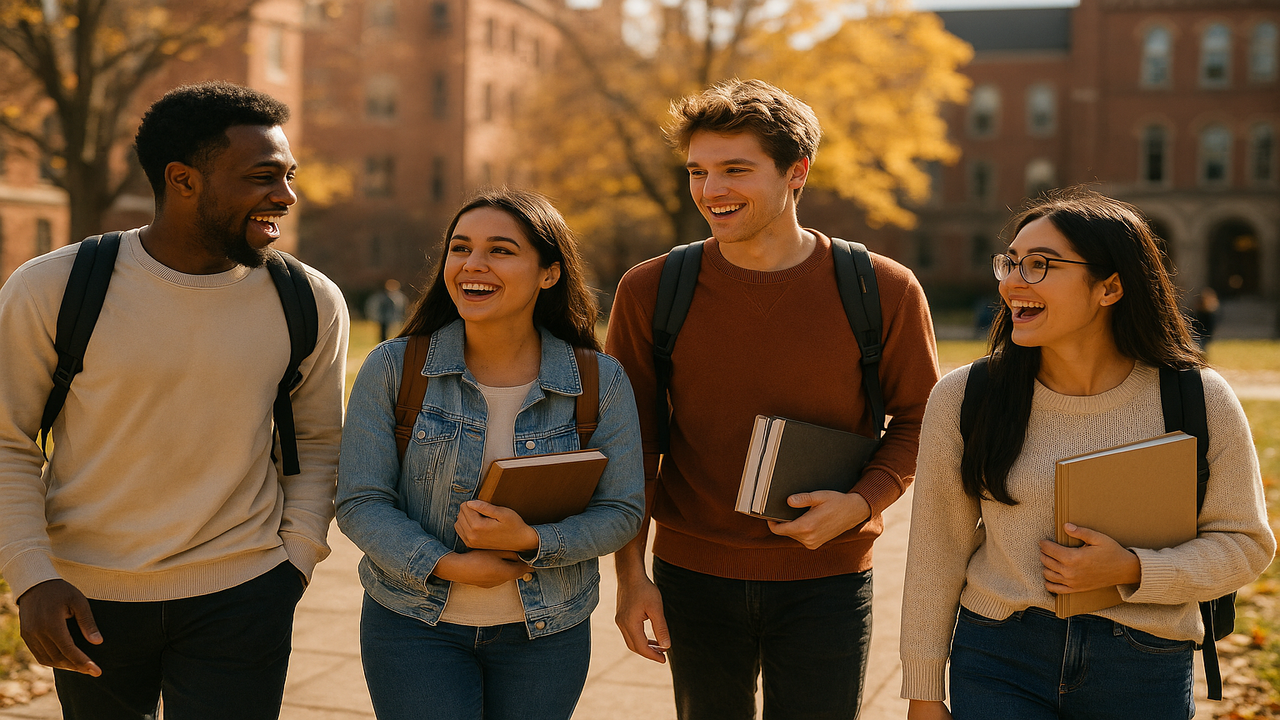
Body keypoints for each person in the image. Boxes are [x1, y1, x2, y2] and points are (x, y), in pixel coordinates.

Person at [0, 82, 349, 718]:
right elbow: (8, 439)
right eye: (262, 176)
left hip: (243, 593)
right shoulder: (53, 287)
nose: (287, 196)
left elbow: (320, 440)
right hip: (87, 596)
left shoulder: (309, 299)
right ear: (183, 179)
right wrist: (32, 577)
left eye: (288, 176)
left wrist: (294, 562)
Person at [605, 79, 939, 719]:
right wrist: (631, 578)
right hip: (692, 575)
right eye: (698, 171)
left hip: (829, 577)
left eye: (735, 170)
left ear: (796, 172)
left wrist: (861, 503)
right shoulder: (651, 289)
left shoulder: (881, 289)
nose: (711, 191)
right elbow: (633, 442)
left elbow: (925, 417)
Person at [900, 188, 1275, 720]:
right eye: (1009, 263)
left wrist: (1131, 568)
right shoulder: (965, 396)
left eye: (1039, 265)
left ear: (1110, 286)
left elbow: (1245, 544)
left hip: (1144, 662)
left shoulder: (1197, 397)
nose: (1011, 282)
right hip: (999, 655)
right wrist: (922, 689)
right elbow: (935, 550)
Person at [336, 188, 645, 720]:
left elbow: (622, 512)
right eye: (460, 248)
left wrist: (531, 541)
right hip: (412, 627)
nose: (473, 265)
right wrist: (448, 565)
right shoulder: (393, 368)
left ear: (549, 272)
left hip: (547, 632)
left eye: (500, 250)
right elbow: (361, 501)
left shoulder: (600, 380)